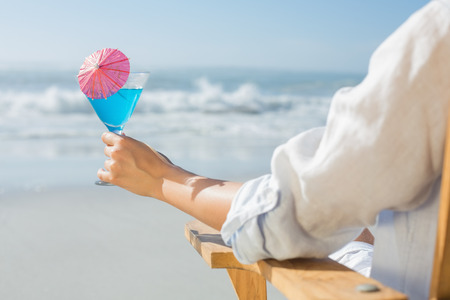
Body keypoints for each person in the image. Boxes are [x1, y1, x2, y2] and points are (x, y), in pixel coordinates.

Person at [98, 1, 450, 299]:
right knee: (354, 229)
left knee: (337, 235)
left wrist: (163, 179)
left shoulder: (439, 38)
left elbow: (285, 216)